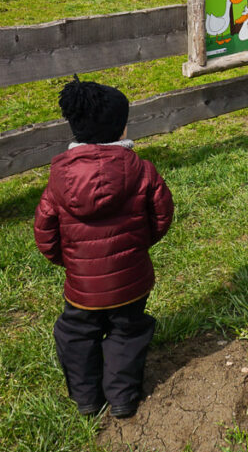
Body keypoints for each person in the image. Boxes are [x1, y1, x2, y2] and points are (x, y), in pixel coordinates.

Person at [34, 76, 173, 418]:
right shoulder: (142, 171)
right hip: (132, 280)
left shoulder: (59, 180)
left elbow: (45, 232)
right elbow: (161, 216)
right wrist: (138, 246)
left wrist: (69, 261)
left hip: (82, 287)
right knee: (128, 332)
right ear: (121, 128)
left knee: (77, 334)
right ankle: (122, 399)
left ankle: (87, 400)